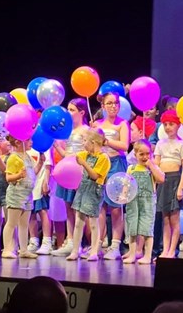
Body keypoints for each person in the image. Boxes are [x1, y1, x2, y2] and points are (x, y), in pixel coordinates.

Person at [93, 92, 129, 260]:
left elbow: (124, 145)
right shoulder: (98, 124)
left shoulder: (123, 124)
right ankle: (98, 243)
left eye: (115, 103)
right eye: (109, 103)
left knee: (115, 207)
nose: (113, 106)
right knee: (100, 207)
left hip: (117, 164)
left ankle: (115, 245)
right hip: (102, 165)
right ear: (103, 106)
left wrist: (106, 141)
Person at [67, 127, 111, 262]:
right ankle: (75, 250)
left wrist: (84, 164)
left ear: (93, 142)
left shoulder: (103, 158)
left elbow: (94, 176)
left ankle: (93, 251)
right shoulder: (84, 155)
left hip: (94, 191)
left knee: (93, 222)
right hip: (82, 189)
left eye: (85, 140)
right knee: (78, 222)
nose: (83, 143)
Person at [51, 97, 89, 256]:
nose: (68, 112)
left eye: (72, 110)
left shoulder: (86, 130)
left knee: (79, 208)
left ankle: (82, 242)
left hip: (78, 171)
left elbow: (89, 151)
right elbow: (67, 153)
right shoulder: (67, 130)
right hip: (67, 170)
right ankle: (70, 240)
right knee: (68, 207)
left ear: (82, 112)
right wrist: (57, 146)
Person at [153, 109, 183, 258]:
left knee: (174, 218)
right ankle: (165, 249)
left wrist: (180, 188)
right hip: (162, 181)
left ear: (178, 126)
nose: (168, 127)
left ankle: (172, 250)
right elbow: (156, 164)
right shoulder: (160, 144)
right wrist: (155, 184)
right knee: (165, 219)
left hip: (175, 180)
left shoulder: (182, 144)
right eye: (165, 124)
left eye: (171, 124)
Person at [124, 139, 165, 264]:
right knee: (132, 229)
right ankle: (132, 254)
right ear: (135, 154)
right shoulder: (131, 168)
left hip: (147, 203)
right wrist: (124, 194)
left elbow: (161, 179)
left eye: (148, 154)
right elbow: (126, 183)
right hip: (133, 202)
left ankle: (147, 256)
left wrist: (152, 166)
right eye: (141, 154)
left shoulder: (152, 168)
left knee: (147, 230)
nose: (145, 157)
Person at [2, 135, 39, 259]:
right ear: (18, 142)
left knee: (24, 224)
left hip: (27, 194)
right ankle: (7, 249)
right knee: (11, 223)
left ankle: (23, 250)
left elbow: (32, 173)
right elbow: (8, 178)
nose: (31, 142)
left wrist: (42, 162)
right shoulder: (13, 157)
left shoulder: (27, 156)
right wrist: (18, 175)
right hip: (16, 193)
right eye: (28, 140)